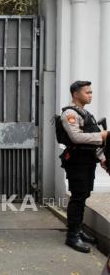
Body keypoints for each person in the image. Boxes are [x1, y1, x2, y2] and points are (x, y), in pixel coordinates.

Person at [57, 81, 107, 253]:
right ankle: (72, 236)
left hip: (87, 161)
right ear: (76, 94)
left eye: (91, 92)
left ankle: (78, 229)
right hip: (77, 162)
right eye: (87, 92)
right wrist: (101, 134)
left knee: (84, 195)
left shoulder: (86, 113)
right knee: (78, 197)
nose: (90, 95)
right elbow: (76, 138)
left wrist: (102, 158)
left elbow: (92, 143)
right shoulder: (70, 114)